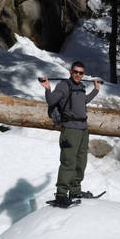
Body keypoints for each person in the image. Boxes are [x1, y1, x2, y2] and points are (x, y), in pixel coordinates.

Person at [39, 61, 99, 207]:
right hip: (70, 129)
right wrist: (47, 88)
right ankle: (61, 194)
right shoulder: (63, 86)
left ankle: (75, 191)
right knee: (68, 162)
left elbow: (83, 101)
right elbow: (52, 100)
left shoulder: (81, 87)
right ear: (70, 71)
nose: (78, 75)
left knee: (81, 162)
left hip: (83, 129)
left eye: (81, 73)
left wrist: (95, 91)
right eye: (75, 72)